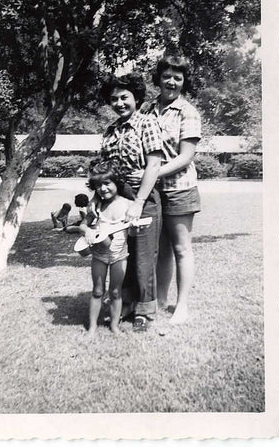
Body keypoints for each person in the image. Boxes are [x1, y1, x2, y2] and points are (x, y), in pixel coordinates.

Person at [99, 73, 163, 332]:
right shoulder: (110, 130)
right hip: (117, 198)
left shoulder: (147, 123)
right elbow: (104, 170)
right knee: (121, 252)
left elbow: (154, 164)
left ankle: (144, 310)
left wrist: (138, 202)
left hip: (143, 196)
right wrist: (98, 200)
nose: (119, 103)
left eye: (124, 97)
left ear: (136, 97)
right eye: (114, 99)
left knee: (144, 256)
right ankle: (125, 302)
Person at [141, 55, 202, 325]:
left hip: (179, 188)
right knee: (162, 249)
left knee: (181, 248)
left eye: (178, 77)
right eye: (167, 76)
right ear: (159, 78)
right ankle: (161, 300)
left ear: (184, 81)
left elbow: (186, 156)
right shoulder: (146, 109)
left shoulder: (187, 112)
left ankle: (182, 306)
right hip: (153, 191)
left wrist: (152, 173)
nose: (172, 82)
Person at [78, 159, 131, 336]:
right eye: (98, 185)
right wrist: (87, 231)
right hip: (99, 255)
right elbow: (82, 225)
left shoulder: (128, 205)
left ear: (117, 182)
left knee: (115, 291)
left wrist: (136, 227)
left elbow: (133, 233)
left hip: (119, 256)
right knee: (97, 290)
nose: (103, 188)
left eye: (107, 183)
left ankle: (114, 326)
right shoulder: (97, 205)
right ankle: (92, 327)